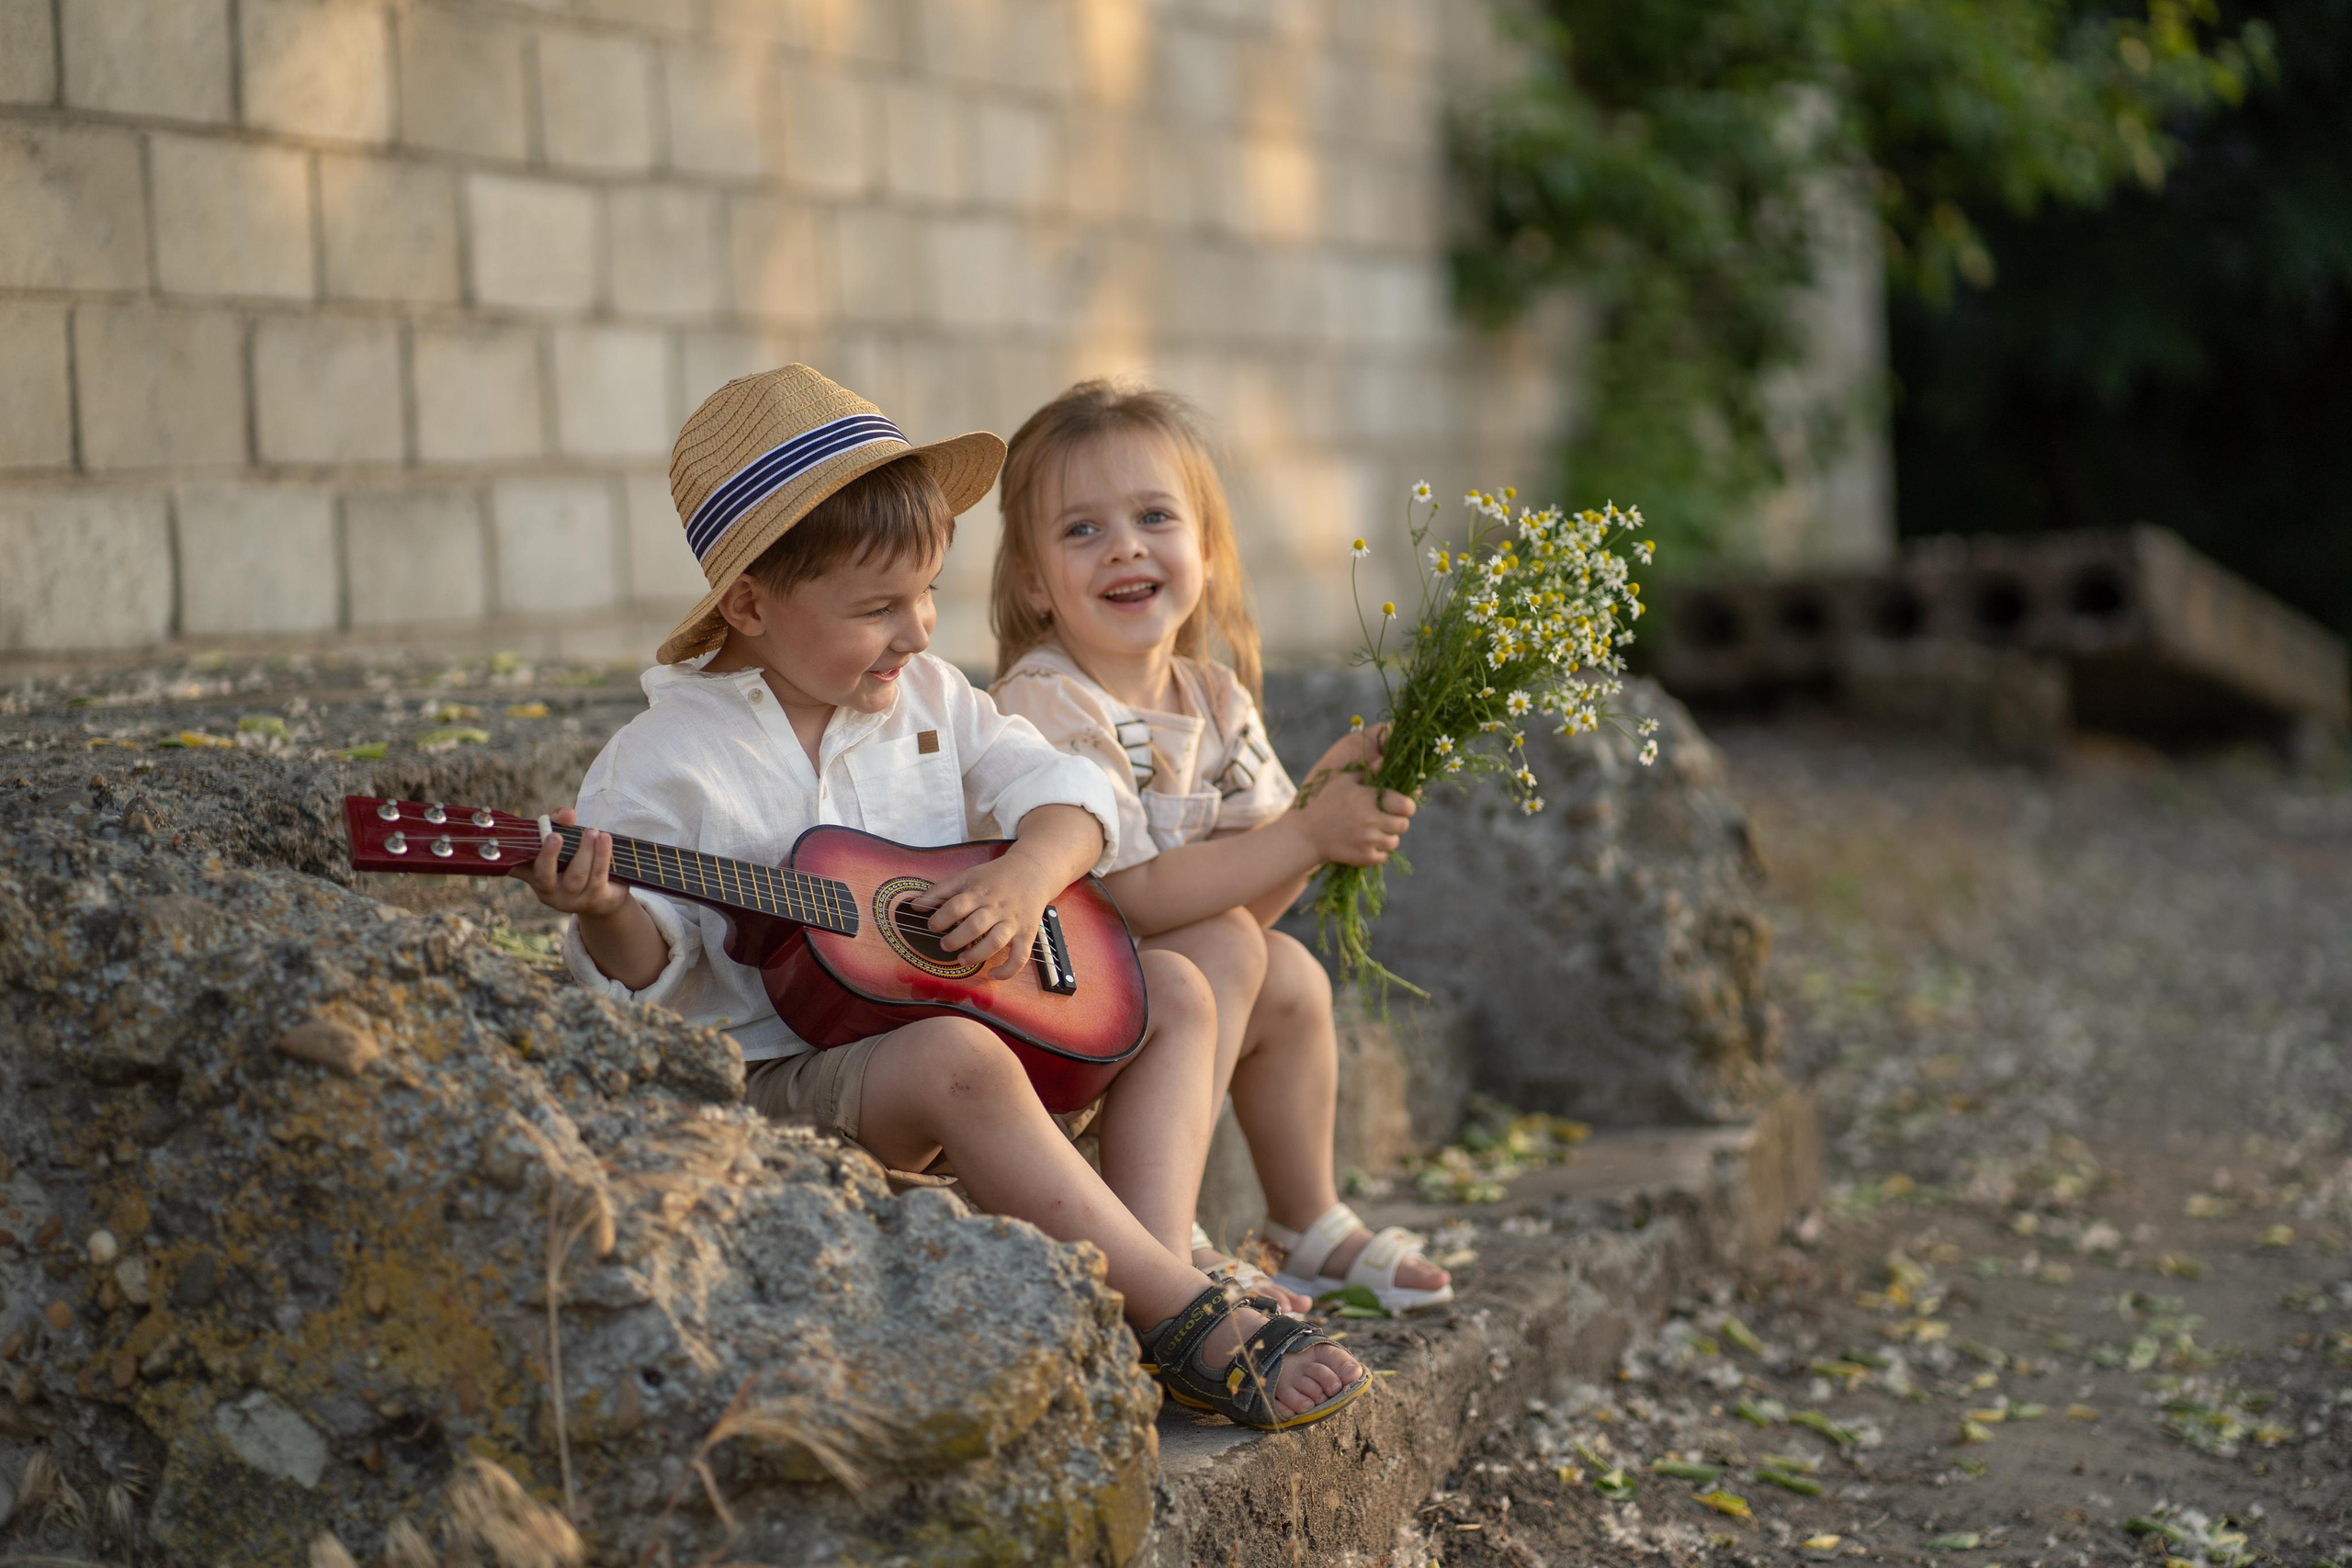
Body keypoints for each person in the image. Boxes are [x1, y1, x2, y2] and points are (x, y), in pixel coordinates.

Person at [514, 365, 1366, 1429]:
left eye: (925, 594)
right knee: (951, 1057)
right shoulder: (663, 765)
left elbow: (1074, 792)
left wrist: (1023, 876)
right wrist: (603, 909)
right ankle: (1180, 1313)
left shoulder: (927, 698)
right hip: (783, 1083)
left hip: (962, 1017)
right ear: (750, 605)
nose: (919, 631)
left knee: (1180, 991)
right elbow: (650, 973)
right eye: (879, 608)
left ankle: (1156, 1270)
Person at [987, 379, 1454, 1314]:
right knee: (1234, 952)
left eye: (1154, 516)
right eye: (1082, 529)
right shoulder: (1046, 700)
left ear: (1204, 547)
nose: (1124, 546)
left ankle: (1305, 1221)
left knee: (1286, 972)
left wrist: (1317, 816)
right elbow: (1131, 897)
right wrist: (1303, 830)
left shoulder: (1213, 698)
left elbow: (1245, 907)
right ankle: (1167, 1241)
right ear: (1033, 582)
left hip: (1166, 984)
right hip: (1057, 999)